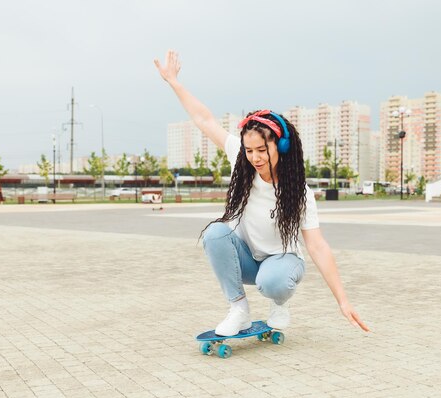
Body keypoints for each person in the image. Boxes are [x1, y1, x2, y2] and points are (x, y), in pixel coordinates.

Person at [155, 50, 369, 336]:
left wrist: (343, 301)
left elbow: (317, 247)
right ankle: (239, 310)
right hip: (248, 260)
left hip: (282, 266)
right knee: (215, 233)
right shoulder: (240, 160)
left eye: (261, 150)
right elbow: (205, 121)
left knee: (272, 282)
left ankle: (280, 304)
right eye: (249, 150)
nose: (254, 157)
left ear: (279, 148)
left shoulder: (299, 193)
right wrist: (174, 82)